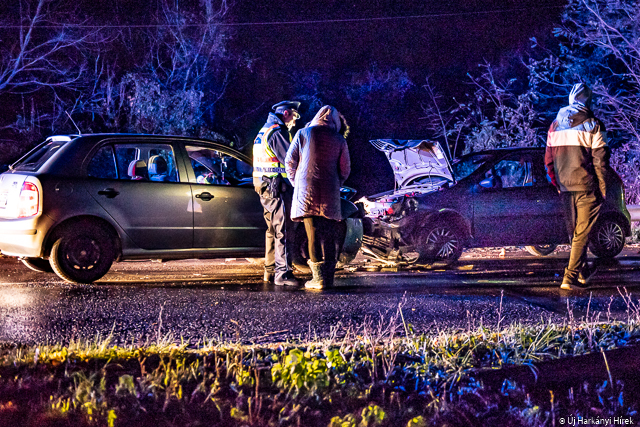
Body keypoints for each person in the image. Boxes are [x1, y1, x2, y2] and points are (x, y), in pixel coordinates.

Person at [545, 83, 609, 291]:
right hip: (586, 185)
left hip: (565, 187)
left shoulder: (554, 125)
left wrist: (557, 183)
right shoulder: (594, 124)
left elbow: (548, 160)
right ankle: (569, 277)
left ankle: (583, 272)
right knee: (582, 232)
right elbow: (601, 161)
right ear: (588, 101)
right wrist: (603, 187)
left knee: (575, 233)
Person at [285, 105, 351, 289]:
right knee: (329, 235)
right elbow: (345, 168)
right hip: (329, 190)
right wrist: (338, 182)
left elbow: (290, 161)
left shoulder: (303, 134)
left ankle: (317, 279)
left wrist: (296, 182)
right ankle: (328, 279)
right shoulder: (339, 140)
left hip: (307, 190)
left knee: (312, 234)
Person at [253, 100, 302, 287]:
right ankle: (283, 274)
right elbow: (290, 160)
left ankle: (270, 270)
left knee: (271, 231)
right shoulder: (277, 132)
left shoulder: (263, 131)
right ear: (287, 113)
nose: (295, 121)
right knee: (283, 230)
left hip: (264, 187)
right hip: (276, 188)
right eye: (295, 116)